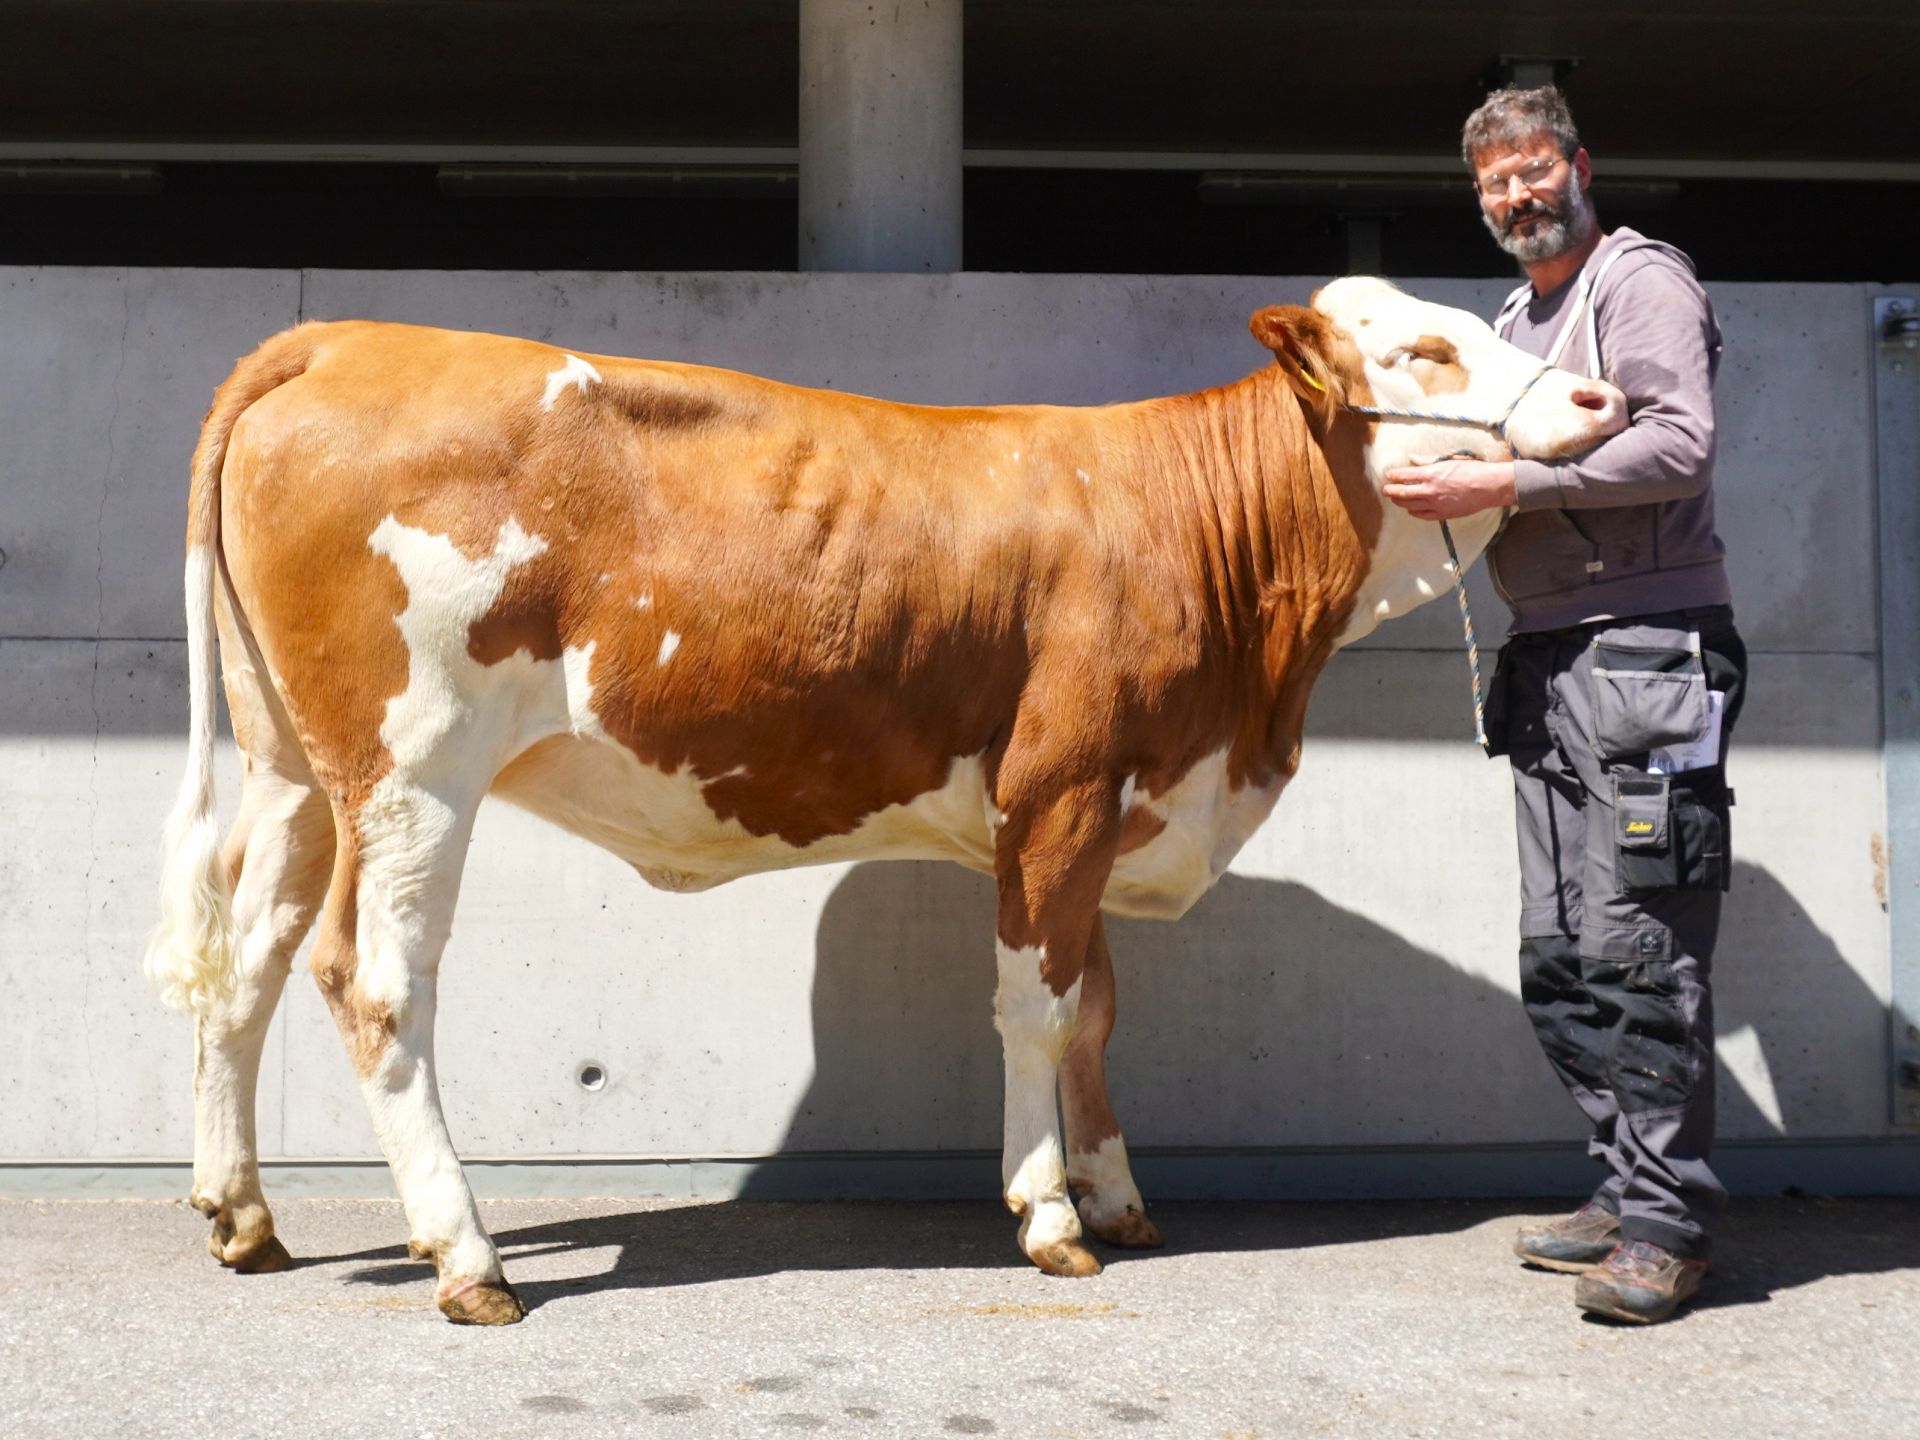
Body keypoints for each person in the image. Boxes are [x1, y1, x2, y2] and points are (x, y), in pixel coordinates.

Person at [1381, 86, 1746, 1324]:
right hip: (1544, 654)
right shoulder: (1512, 320)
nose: (1516, 195)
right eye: (1494, 182)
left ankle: (1668, 1226)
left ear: (1581, 167)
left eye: (1534, 169)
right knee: (1562, 953)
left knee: (1641, 947)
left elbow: (1681, 444)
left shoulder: (1635, 283)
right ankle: (1622, 1182)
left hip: (1646, 647)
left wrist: (1507, 482)